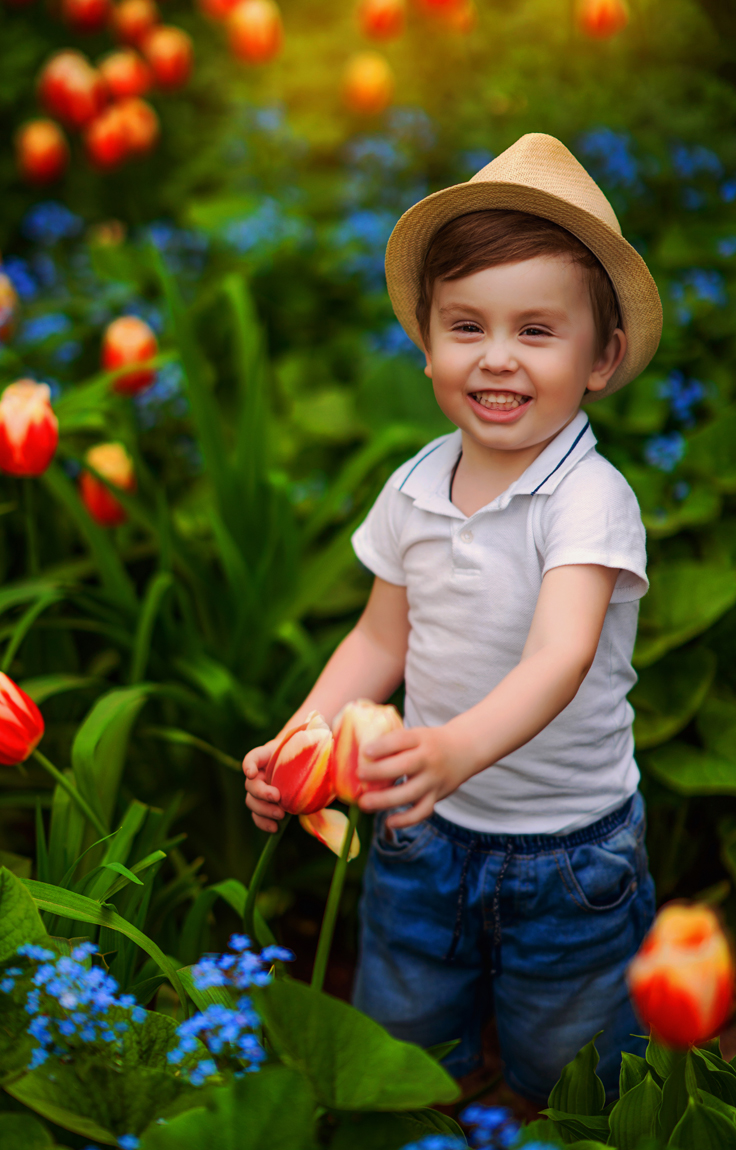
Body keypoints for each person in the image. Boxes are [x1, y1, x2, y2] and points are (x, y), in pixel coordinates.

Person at [242, 133, 661, 1103]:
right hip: (417, 835)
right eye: (465, 326)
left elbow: (558, 657)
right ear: (424, 344)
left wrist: (454, 748)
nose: (496, 359)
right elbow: (378, 639)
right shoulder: (415, 484)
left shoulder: (587, 501)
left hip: (568, 853)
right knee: (402, 1033)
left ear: (598, 358)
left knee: (569, 1067)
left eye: (534, 330)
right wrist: (301, 739)